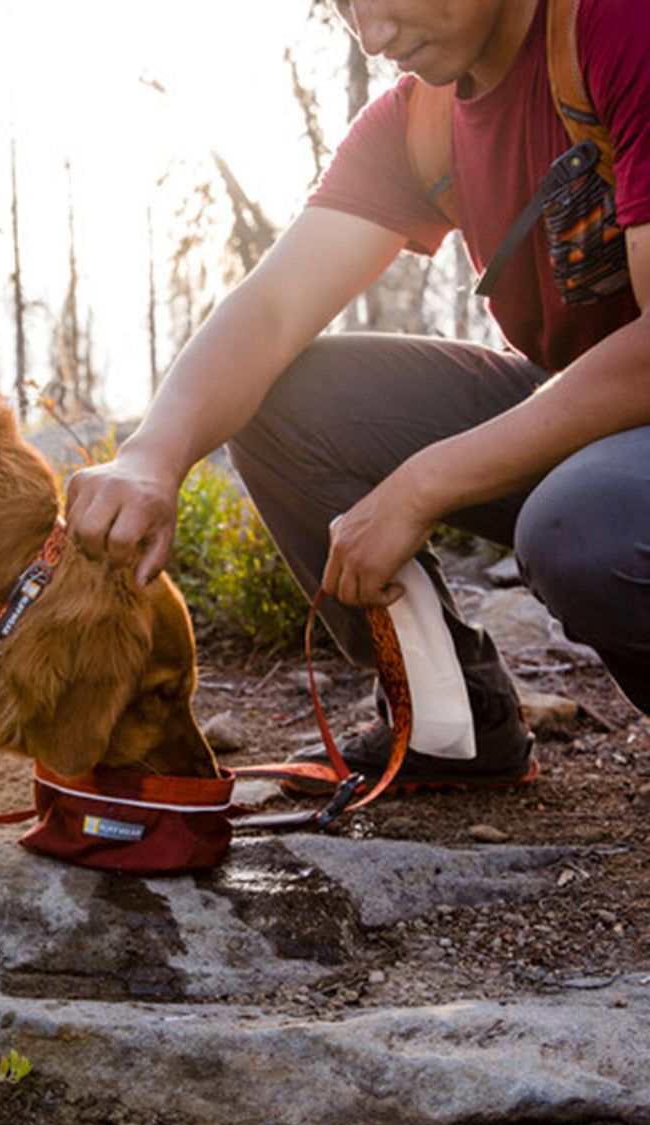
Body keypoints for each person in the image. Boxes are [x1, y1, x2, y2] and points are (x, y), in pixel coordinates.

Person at [65, 0, 650, 791]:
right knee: (284, 401)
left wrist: (423, 483)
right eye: (345, 5)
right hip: (596, 424)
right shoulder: (423, 119)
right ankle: (449, 726)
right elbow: (272, 311)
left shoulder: (618, 29)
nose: (370, 36)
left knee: (583, 530)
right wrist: (151, 456)